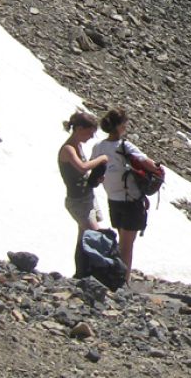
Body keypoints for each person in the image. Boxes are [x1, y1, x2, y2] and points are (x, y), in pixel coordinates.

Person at [93, 108, 157, 278]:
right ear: (120, 126)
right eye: (125, 123)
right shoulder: (124, 145)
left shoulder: (99, 147)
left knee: (122, 240)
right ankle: (122, 279)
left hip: (112, 198)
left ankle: (117, 274)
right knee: (127, 245)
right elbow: (147, 163)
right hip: (131, 199)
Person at [58, 111, 108, 277]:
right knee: (94, 236)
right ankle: (95, 274)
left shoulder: (78, 146)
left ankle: (81, 274)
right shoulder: (68, 149)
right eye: (89, 133)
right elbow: (82, 167)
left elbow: (82, 173)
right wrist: (101, 159)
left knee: (83, 239)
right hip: (77, 201)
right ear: (79, 129)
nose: (91, 137)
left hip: (86, 197)